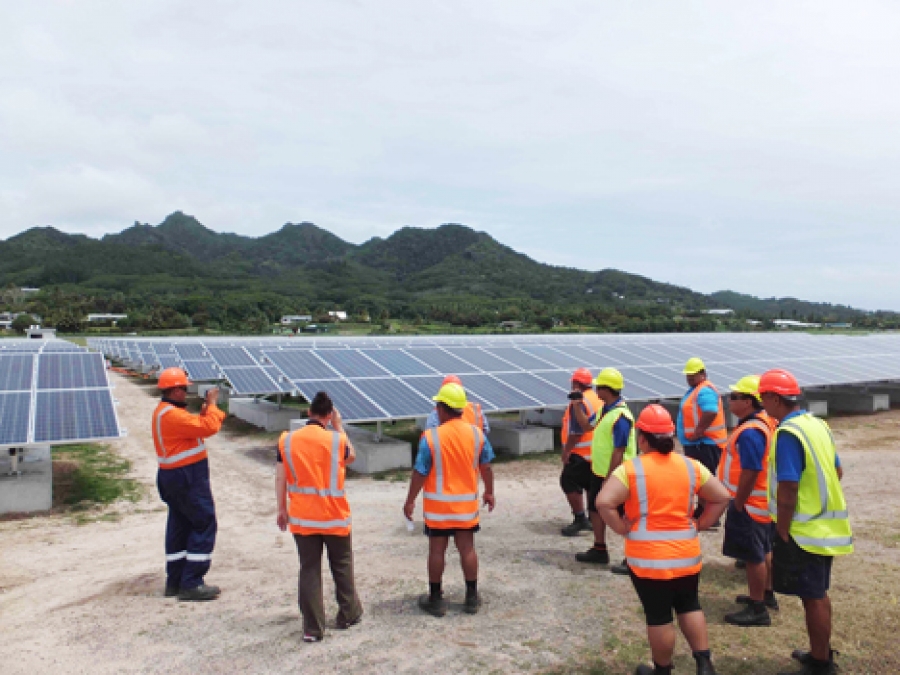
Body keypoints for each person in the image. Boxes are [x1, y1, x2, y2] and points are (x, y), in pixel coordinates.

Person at [596, 404, 730, 675]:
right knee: (689, 605)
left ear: (642, 438)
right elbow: (722, 496)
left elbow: (603, 502)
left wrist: (621, 528)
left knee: (658, 616)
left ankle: (663, 670)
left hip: (648, 560)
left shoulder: (631, 469)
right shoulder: (691, 466)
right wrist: (702, 523)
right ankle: (704, 664)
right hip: (686, 555)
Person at [759, 369, 852, 675]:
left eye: (763, 398)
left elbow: (788, 487)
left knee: (814, 597)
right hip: (823, 526)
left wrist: (783, 528)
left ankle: (821, 662)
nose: (762, 405)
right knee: (816, 593)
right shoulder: (817, 425)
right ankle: (818, 652)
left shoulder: (788, 433)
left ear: (774, 398)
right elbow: (836, 472)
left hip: (803, 531)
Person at [276, 391, 363, 643]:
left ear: (308, 413)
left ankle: (313, 628)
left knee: (309, 569)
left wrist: (281, 508)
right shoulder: (336, 440)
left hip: (303, 518)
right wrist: (339, 425)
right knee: (342, 564)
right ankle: (349, 613)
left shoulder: (287, 441)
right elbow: (352, 456)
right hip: (334, 516)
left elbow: (280, 476)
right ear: (328, 415)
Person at [404, 382, 496, 617]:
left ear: (442, 409)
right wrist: (489, 492)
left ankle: (436, 600)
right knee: (467, 549)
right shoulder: (477, 435)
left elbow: (420, 472)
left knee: (437, 551)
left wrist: (410, 500)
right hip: (465, 507)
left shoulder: (431, 437)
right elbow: (486, 468)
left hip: (438, 509)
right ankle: (472, 598)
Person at [152, 367, 227, 601]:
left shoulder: (164, 412)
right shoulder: (173, 415)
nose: (186, 392)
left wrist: (206, 411)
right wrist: (213, 406)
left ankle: (175, 581)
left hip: (173, 477)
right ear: (174, 391)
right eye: (184, 388)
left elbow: (196, 427)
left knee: (180, 524)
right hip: (187, 477)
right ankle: (192, 582)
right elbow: (208, 428)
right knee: (204, 521)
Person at [718, 375, 779, 627]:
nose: (729, 401)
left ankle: (757, 609)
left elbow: (751, 470)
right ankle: (765, 595)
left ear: (749, 402)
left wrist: (739, 502)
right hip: (762, 502)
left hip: (751, 503)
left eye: (734, 397)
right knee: (764, 551)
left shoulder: (752, 431)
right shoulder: (765, 422)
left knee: (754, 556)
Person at [576, 367, 636, 575]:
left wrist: (610, 481)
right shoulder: (604, 410)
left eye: (598, 386)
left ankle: (633, 558)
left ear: (607, 389)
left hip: (617, 476)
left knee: (625, 515)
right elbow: (586, 426)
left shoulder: (621, 416)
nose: (595, 389)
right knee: (594, 509)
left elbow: (619, 450)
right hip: (599, 472)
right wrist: (576, 406)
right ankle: (599, 549)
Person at [677, 358, 727, 521]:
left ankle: (710, 515)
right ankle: (702, 509)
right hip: (698, 443)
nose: (690, 378)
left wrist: (698, 431)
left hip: (705, 443)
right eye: (688, 375)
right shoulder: (696, 389)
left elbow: (710, 411)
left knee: (705, 479)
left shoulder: (704, 390)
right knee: (700, 478)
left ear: (703, 374)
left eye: (693, 374)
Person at [560, 367, 601, 537]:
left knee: (568, 481)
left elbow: (576, 431)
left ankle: (580, 519)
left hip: (580, 452)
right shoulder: (597, 398)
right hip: (596, 452)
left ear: (576, 383)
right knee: (590, 484)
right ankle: (593, 519)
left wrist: (567, 451)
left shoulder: (579, 402)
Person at [425, 375, 490, 435]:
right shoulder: (476, 409)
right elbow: (485, 430)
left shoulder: (437, 412)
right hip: (474, 446)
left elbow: (431, 436)